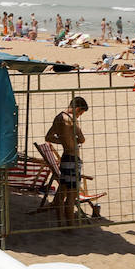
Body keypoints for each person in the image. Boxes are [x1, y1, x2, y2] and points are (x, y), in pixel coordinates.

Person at [45, 97, 89, 227]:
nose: (79, 116)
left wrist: (64, 142)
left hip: (65, 157)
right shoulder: (71, 120)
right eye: (80, 113)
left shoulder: (58, 117)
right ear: (77, 109)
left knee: (61, 193)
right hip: (73, 158)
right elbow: (82, 139)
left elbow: (48, 137)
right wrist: (73, 139)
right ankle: (70, 226)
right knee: (71, 195)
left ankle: (61, 224)